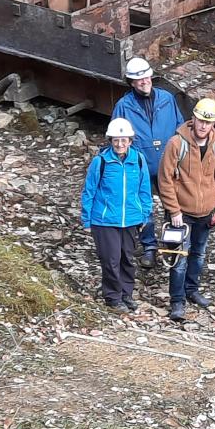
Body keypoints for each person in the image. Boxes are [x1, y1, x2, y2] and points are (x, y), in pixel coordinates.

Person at [158, 98, 215, 321]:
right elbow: (165, 179)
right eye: (200, 121)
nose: (203, 126)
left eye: (207, 123)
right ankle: (177, 301)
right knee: (179, 257)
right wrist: (174, 211)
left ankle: (192, 290)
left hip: (206, 212)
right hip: (182, 213)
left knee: (198, 254)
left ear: (213, 124)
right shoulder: (176, 143)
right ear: (193, 119)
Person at [111, 57, 185, 268]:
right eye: (138, 79)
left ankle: (172, 245)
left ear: (151, 76)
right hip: (139, 165)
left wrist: (180, 157)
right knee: (144, 208)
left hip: (168, 163)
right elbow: (116, 137)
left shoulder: (167, 98)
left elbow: (179, 128)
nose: (144, 81)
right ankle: (149, 248)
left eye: (146, 77)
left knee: (173, 205)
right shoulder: (123, 106)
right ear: (131, 82)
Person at [81, 118, 152, 314]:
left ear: (130, 140)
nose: (120, 144)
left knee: (127, 258)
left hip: (131, 218)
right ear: (110, 141)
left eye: (124, 140)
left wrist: (145, 214)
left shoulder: (138, 159)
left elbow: (144, 189)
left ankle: (126, 293)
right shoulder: (101, 161)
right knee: (111, 259)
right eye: (116, 140)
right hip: (104, 220)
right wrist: (86, 220)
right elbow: (89, 191)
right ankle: (113, 296)